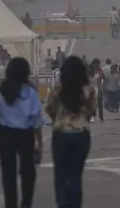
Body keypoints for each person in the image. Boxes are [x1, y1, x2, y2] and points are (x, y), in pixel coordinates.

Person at [0, 57, 44, 208]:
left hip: (5, 134)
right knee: (28, 172)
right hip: (25, 134)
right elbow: (36, 117)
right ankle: (26, 203)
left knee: (8, 173)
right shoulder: (30, 91)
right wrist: (39, 142)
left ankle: (11, 204)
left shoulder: (1, 88)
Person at [46, 56, 96, 207]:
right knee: (76, 174)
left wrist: (59, 118)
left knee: (60, 173)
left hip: (61, 133)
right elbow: (91, 111)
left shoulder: (58, 89)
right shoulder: (88, 90)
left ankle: (62, 203)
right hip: (81, 133)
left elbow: (50, 109)